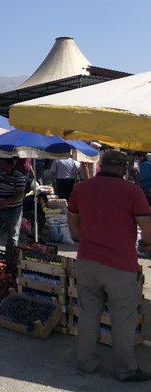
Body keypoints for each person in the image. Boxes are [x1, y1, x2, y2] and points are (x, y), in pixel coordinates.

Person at [67, 150, 151, 382]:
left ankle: (86, 363)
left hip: (87, 261)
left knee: (87, 314)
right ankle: (125, 369)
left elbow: (72, 218)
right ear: (124, 169)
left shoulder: (81, 188)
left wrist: (81, 236)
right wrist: (145, 243)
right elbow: (147, 226)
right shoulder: (133, 191)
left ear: (100, 165)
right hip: (120, 266)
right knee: (123, 319)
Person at [0, 158, 26, 254]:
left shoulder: (19, 177)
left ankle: (10, 256)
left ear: (11, 165)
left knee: (12, 234)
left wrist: (8, 201)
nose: (0, 167)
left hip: (13, 210)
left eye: (3, 165)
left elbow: (20, 195)